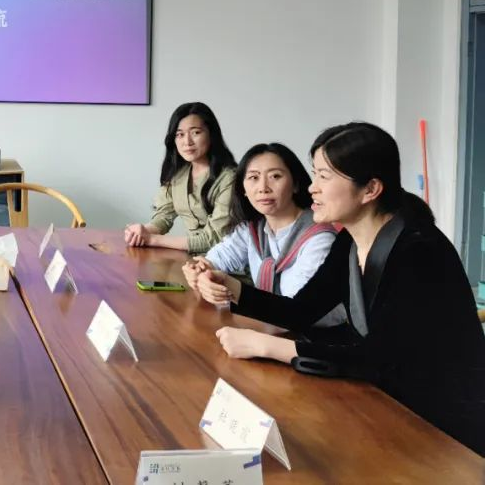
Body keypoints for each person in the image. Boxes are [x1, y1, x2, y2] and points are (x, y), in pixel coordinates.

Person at [196, 122, 485, 455]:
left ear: (370, 189)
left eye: (324, 176)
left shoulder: (419, 251)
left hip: (445, 428)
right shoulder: (350, 239)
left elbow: (380, 359)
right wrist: (233, 288)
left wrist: (269, 346)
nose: (312, 188)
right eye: (314, 174)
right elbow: (302, 310)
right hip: (386, 404)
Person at [183, 143, 337, 298]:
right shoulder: (253, 229)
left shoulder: (319, 239)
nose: (263, 188)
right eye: (254, 177)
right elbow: (220, 257)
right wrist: (200, 272)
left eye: (275, 176)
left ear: (295, 184)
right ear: (243, 189)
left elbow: (297, 306)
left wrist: (232, 287)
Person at [124, 102, 236, 252]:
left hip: (226, 261)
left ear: (211, 134)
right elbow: (164, 216)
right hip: (191, 258)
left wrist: (152, 239)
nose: (187, 142)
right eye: (180, 134)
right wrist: (142, 231)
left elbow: (213, 239)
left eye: (195, 132)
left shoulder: (230, 179)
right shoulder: (178, 174)